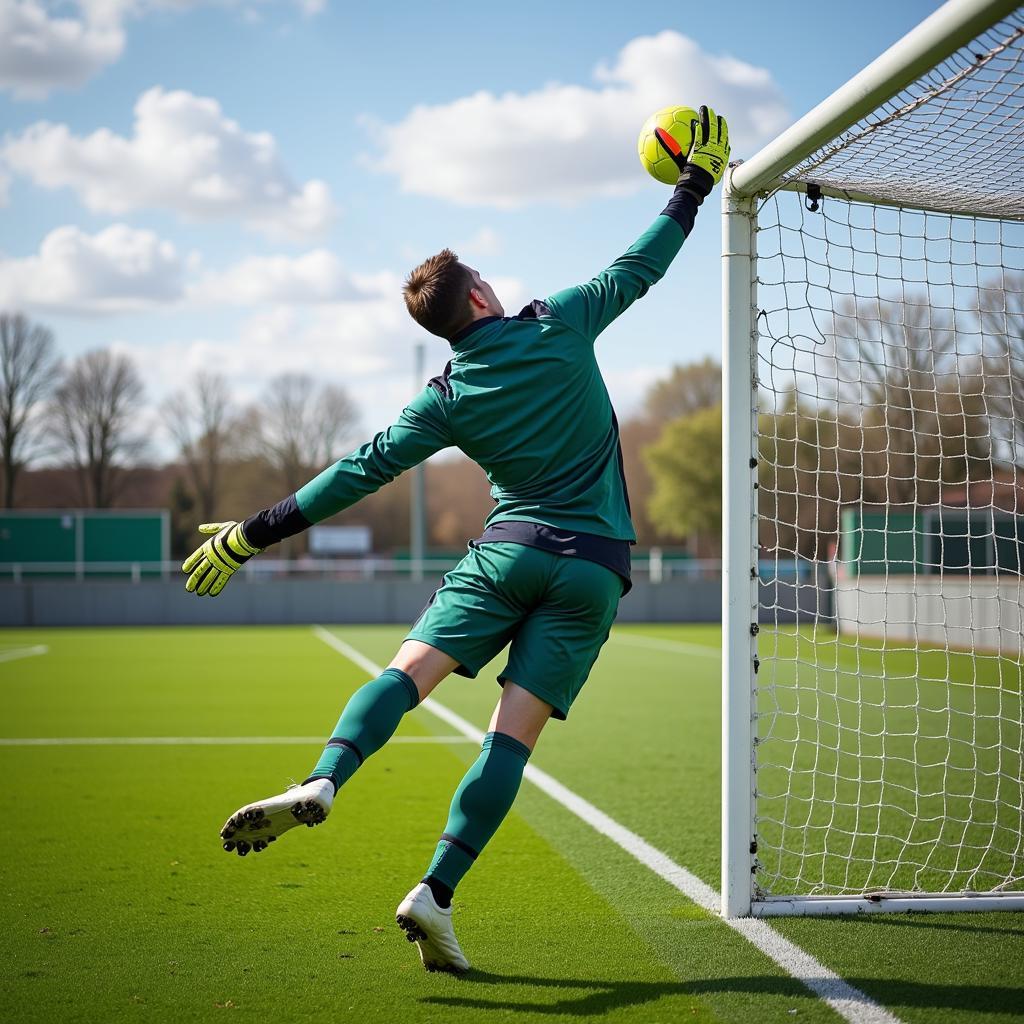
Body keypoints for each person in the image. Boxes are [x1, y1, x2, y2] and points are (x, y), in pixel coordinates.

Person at [181, 107, 729, 974]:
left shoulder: (443, 396)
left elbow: (354, 473)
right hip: (593, 572)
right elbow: (643, 264)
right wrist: (693, 184)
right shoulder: (563, 322)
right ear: (478, 296)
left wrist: (250, 536)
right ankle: (434, 894)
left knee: (408, 674)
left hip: (507, 553)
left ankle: (324, 778)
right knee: (510, 741)